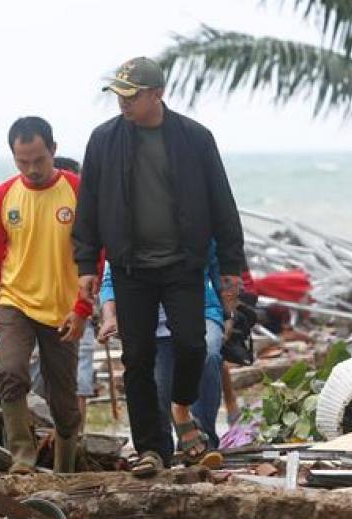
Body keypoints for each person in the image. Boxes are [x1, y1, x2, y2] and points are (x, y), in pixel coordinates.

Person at [73, 56, 245, 477]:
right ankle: (152, 449)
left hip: (182, 265)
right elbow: (89, 205)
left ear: (157, 94)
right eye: (118, 96)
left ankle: (181, 407)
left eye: (131, 97)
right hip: (130, 268)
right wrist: (86, 263)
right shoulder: (104, 140)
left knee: (193, 344)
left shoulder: (194, 138)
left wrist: (230, 265)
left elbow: (222, 202)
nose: (123, 104)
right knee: (138, 358)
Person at [0, 117, 90, 474]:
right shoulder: (4, 196)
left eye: (39, 159)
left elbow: (93, 255)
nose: (32, 169)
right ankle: (22, 459)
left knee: (64, 400)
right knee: (11, 371)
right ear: (13, 157)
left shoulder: (77, 190)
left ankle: (65, 468)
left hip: (62, 309)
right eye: (23, 162)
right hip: (14, 301)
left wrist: (84, 308)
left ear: (53, 150)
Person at [99, 251, 224, 460]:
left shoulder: (190, 224)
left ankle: (205, 440)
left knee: (207, 354)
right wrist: (110, 316)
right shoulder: (126, 234)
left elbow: (218, 262)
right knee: (159, 390)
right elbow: (111, 279)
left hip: (198, 311)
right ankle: (160, 452)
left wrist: (230, 309)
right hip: (153, 324)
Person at [30, 157, 98, 436]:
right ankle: (49, 440)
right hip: (37, 308)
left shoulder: (86, 224)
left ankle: (74, 440)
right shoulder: (42, 219)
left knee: (77, 381)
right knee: (41, 381)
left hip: (77, 309)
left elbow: (98, 265)